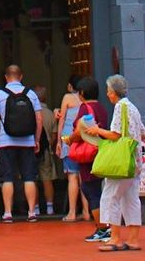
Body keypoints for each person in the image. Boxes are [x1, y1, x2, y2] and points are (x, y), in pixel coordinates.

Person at [80, 74, 145, 253]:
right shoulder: (132, 107)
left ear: (113, 92)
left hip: (121, 162)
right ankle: (133, 239)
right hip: (134, 161)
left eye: (109, 91)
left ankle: (115, 238)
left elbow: (115, 134)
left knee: (110, 197)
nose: (108, 95)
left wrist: (97, 130)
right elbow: (143, 133)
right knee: (131, 199)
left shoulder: (120, 107)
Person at [0, 64, 43, 223]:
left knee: (7, 178)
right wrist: (37, 139)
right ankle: (32, 212)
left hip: (6, 142)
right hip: (27, 142)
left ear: (6, 77)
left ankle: (7, 213)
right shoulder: (31, 94)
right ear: (21, 76)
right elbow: (39, 118)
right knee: (29, 177)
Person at [67, 75, 110, 242]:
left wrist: (70, 139)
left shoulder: (85, 109)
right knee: (98, 190)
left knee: (89, 189)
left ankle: (102, 228)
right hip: (101, 151)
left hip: (88, 154)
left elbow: (80, 131)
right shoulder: (102, 108)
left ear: (83, 92)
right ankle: (104, 227)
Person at [56, 74, 91, 223]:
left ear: (71, 86)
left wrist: (58, 141)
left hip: (69, 138)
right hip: (84, 139)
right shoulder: (86, 99)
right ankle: (86, 211)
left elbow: (62, 119)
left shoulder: (68, 98)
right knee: (84, 176)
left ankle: (71, 212)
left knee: (72, 176)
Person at [32, 85, 58, 215]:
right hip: (46, 150)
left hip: (31, 149)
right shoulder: (50, 114)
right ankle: (50, 207)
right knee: (47, 179)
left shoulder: (30, 112)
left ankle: (35, 208)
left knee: (32, 179)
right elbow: (54, 135)